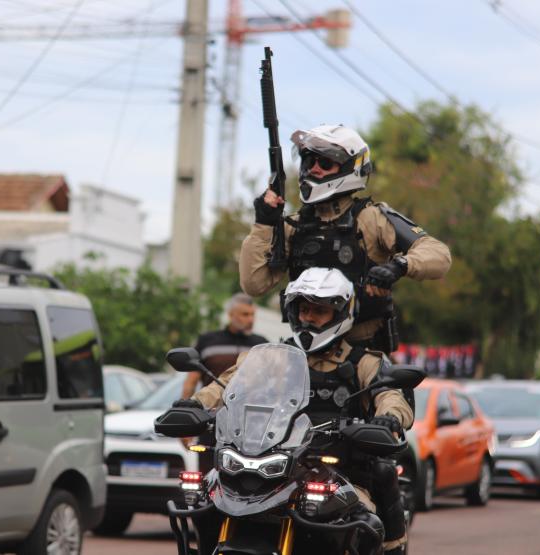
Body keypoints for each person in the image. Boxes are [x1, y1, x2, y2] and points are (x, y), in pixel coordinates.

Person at [187, 268, 413, 555]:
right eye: (304, 309)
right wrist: (195, 404)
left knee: (379, 483)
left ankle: (394, 548)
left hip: (339, 470)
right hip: (279, 464)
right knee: (205, 498)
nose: (309, 317)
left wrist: (389, 417)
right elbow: (227, 383)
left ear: (341, 314)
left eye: (319, 311)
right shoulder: (272, 357)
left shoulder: (364, 363)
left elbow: (391, 394)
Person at [240, 124, 452, 353]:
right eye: (309, 162)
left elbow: (439, 254)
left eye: (325, 163)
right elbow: (254, 284)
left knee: (389, 389)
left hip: (362, 356)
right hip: (306, 356)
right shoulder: (293, 225)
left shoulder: (372, 219)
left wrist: (399, 266)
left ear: (351, 168)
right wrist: (263, 224)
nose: (314, 170)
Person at [180, 293, 268, 399]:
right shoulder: (207, 341)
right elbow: (191, 381)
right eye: (245, 314)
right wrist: (184, 406)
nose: (251, 320)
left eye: (252, 314)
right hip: (211, 410)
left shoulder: (261, 344)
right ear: (231, 315)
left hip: (250, 411)